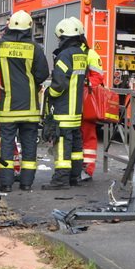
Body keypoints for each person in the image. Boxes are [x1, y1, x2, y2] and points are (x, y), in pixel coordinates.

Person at [0, 10, 49, 192]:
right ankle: (26, 183)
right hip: (30, 108)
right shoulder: (34, 48)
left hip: (8, 107)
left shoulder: (1, 45)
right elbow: (43, 74)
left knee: (7, 145)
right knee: (29, 145)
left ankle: (6, 184)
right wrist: (32, 81)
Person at [43, 17, 88, 190]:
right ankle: (74, 177)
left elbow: (59, 83)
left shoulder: (64, 55)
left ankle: (61, 180)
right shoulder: (80, 54)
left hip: (63, 109)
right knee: (76, 146)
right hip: (76, 110)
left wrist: (50, 94)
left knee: (62, 145)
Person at [80, 41, 105, 182]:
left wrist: (83, 82)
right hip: (75, 101)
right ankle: (77, 167)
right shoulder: (71, 52)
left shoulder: (90, 54)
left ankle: (88, 169)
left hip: (87, 101)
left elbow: (97, 78)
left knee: (88, 135)